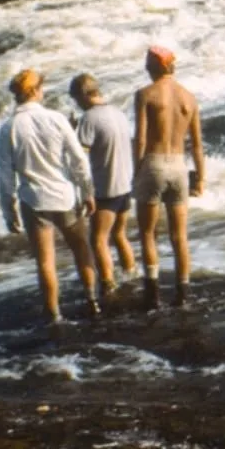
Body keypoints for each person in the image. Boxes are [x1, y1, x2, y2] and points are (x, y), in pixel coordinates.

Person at [0, 68, 100, 323]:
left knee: (45, 262)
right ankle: (92, 300)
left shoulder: (9, 127)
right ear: (33, 91)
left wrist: (9, 211)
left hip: (33, 201)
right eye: (41, 87)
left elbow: (5, 176)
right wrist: (87, 192)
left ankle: (54, 314)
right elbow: (78, 160)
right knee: (82, 250)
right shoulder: (56, 119)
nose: (43, 90)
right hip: (64, 195)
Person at [132, 45, 204, 310]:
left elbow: (140, 138)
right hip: (179, 167)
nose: (146, 70)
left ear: (156, 67)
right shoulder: (189, 97)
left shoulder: (145, 95)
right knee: (179, 236)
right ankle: (183, 293)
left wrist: (136, 170)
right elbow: (197, 144)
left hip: (153, 162)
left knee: (148, 232)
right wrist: (201, 178)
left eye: (148, 66)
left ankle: (152, 294)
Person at [69, 73, 137, 296]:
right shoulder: (118, 113)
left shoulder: (89, 118)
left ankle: (108, 286)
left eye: (76, 99)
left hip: (106, 187)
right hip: (125, 183)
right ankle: (132, 275)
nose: (77, 104)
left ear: (84, 95)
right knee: (120, 235)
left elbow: (80, 155)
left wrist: (71, 132)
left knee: (98, 239)